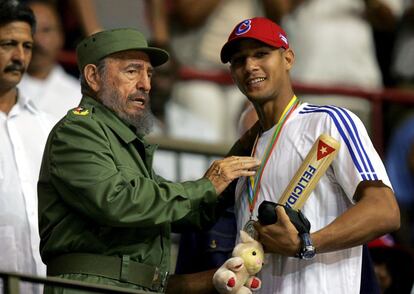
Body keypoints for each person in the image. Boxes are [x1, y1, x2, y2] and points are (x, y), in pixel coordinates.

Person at [37, 28, 260, 293]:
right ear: (93, 77)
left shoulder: (123, 141)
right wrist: (208, 185)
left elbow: (183, 213)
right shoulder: (78, 131)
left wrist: (238, 156)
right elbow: (119, 201)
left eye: (149, 73)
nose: (146, 84)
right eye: (132, 71)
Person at [219, 17, 400, 293]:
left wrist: (306, 242)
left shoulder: (329, 121)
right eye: (239, 60)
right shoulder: (247, 154)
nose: (250, 66)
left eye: (261, 54)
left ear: (288, 58)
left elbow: (384, 211)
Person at [0, 1, 54, 293]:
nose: (19, 56)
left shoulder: (47, 127)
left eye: (27, 46)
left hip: (43, 282)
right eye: (8, 44)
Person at [18, 0, 81, 122]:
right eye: (30, 30)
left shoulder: (79, 98)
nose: (37, 40)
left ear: (61, 36)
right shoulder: (5, 91)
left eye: (46, 30)